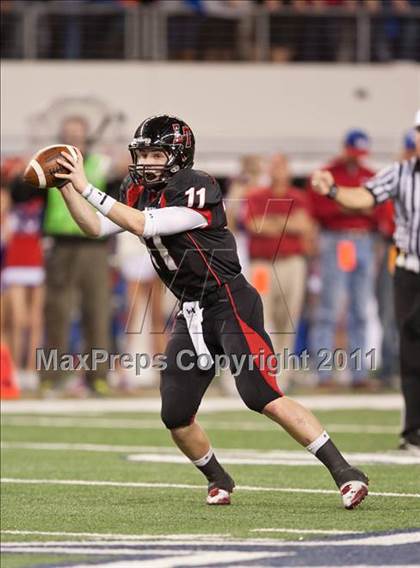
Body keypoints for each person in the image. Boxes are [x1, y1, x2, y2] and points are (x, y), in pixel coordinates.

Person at [53, 114, 369, 508]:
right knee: (176, 415)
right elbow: (96, 229)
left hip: (228, 301)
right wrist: (67, 188)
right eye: (144, 154)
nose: (147, 162)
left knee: (261, 394)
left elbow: (144, 225)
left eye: (156, 154)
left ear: (178, 156)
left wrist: (87, 186)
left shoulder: (196, 186)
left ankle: (345, 472)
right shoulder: (140, 190)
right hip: (190, 311)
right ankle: (218, 478)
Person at [312, 109, 420, 453]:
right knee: (410, 348)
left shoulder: (386, 171)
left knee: (364, 311)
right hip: (399, 263)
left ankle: (360, 376)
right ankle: (413, 432)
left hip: (376, 247)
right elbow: (362, 199)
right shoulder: (398, 173)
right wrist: (333, 192)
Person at [40, 115, 114, 396]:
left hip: (93, 244)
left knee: (97, 311)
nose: (73, 137)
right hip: (60, 245)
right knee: (56, 312)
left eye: (77, 133)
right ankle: (51, 376)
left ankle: (98, 377)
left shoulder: (99, 163)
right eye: (68, 132)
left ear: (86, 136)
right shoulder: (49, 165)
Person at [309, 129, 378, 389]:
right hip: (336, 240)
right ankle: (324, 374)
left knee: (361, 309)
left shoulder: (369, 175)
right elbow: (323, 210)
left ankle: (358, 374)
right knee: (329, 307)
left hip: (364, 240)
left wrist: (347, 203)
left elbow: (377, 210)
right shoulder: (328, 173)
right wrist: (356, 205)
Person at [245, 153, 315, 388]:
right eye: (273, 166)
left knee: (289, 319)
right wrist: (286, 222)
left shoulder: (298, 196)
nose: (277, 171)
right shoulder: (256, 196)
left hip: (291, 262)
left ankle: (281, 376)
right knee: (260, 318)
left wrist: (273, 222)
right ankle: (261, 373)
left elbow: (304, 225)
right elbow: (256, 225)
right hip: (263, 264)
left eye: (281, 166)